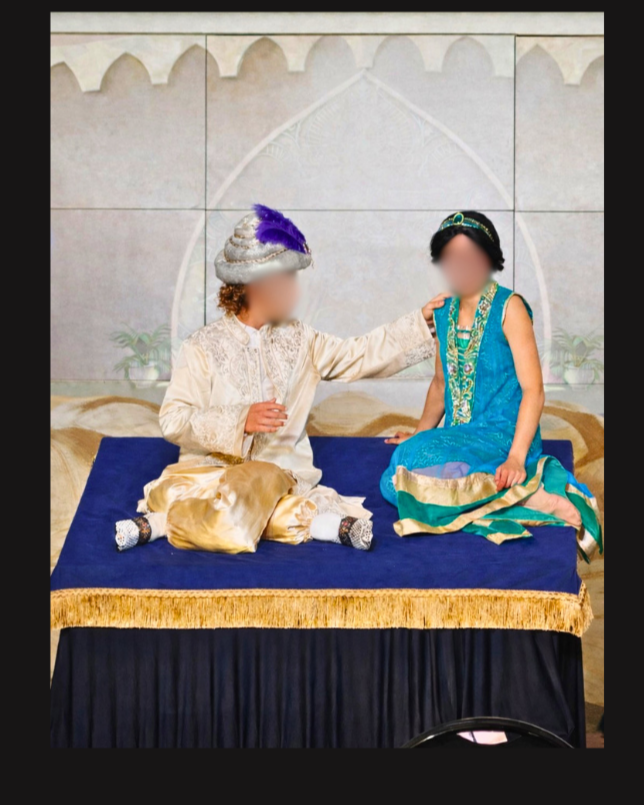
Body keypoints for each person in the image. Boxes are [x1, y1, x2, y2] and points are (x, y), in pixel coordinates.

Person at [115, 204, 447, 554]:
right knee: (184, 491)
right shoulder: (201, 347)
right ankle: (322, 525)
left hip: (276, 473)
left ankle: (163, 523)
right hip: (208, 472)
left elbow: (359, 354)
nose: (293, 290)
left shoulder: (301, 339)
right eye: (286, 279)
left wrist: (419, 324)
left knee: (253, 488)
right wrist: (240, 420)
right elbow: (173, 420)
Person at [379, 211, 602, 561]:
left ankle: (529, 495)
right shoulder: (442, 310)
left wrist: (515, 457)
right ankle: (513, 499)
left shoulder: (509, 307)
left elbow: (534, 391)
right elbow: (440, 384)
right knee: (398, 474)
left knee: (416, 479)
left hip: (505, 436)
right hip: (460, 436)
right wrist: (422, 433)